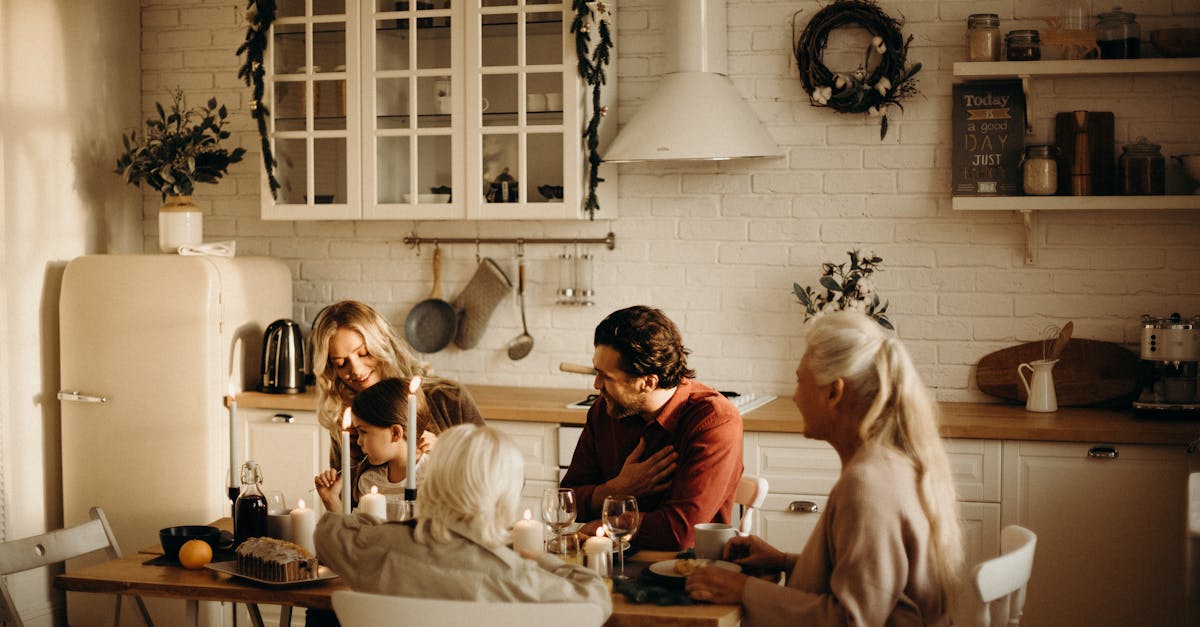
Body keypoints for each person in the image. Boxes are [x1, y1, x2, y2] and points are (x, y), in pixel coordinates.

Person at [684, 311, 964, 626]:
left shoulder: (866, 484)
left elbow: (851, 620)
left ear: (834, 392)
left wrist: (745, 589)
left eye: (800, 380)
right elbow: (874, 584)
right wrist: (783, 561)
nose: (796, 397)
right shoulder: (890, 463)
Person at [315, 424, 613, 616]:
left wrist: (404, 529)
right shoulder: (517, 575)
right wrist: (538, 559)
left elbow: (330, 530)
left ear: (431, 481)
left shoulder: (377, 548)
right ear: (504, 495)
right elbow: (595, 597)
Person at [560, 305, 743, 551]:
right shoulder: (605, 411)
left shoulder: (714, 422)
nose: (596, 384)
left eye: (607, 377)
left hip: (686, 574)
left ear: (647, 382)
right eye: (596, 372)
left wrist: (601, 523)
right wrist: (616, 489)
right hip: (610, 564)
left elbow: (681, 532)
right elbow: (567, 501)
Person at [309, 301, 483, 507]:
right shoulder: (346, 418)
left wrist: (446, 451)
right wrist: (354, 459)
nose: (355, 369)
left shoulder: (447, 398)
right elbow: (351, 513)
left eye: (363, 353)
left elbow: (496, 474)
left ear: (382, 345)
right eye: (341, 363)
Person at [313, 377, 439, 514]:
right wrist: (332, 500)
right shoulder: (369, 481)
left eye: (363, 432)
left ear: (395, 432)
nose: (358, 441)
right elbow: (358, 532)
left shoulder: (436, 476)